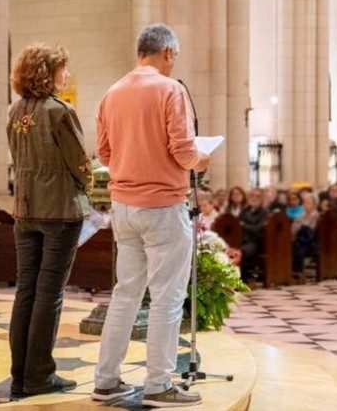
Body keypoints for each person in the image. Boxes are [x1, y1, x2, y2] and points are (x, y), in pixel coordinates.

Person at [94, 23, 208, 407]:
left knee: (125, 295)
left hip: (123, 208)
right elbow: (183, 150)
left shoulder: (112, 93)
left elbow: (105, 154)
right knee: (167, 299)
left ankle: (106, 380)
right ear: (168, 53)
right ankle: (158, 384)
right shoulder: (170, 89)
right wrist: (202, 157)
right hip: (161, 207)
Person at [7, 43, 93, 397]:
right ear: (48, 72)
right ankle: (40, 374)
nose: (66, 75)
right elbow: (80, 163)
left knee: (26, 290)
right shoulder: (59, 111)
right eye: (62, 70)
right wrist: (92, 181)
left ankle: (20, 373)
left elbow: (17, 157)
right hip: (59, 212)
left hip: (25, 212)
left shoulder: (14, 111)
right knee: (49, 294)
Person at [240, 188, 269, 281]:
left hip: (255, 242)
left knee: (243, 252)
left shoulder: (264, 212)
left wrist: (244, 225)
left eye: (257, 196)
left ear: (262, 199)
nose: (254, 198)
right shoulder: (244, 211)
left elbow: (258, 229)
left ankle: (244, 277)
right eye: (252, 196)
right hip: (241, 239)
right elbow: (237, 224)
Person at [291, 192, 320, 275]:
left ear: (315, 205)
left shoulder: (316, 216)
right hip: (299, 240)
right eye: (304, 203)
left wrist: (301, 226)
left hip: (310, 242)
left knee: (297, 246)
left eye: (308, 203)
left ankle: (298, 272)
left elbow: (311, 230)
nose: (304, 205)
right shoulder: (301, 215)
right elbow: (293, 229)